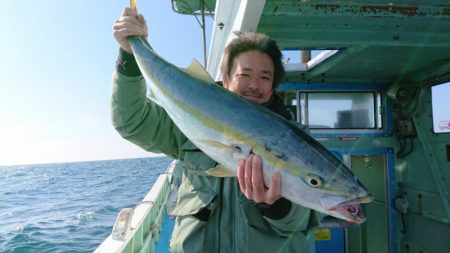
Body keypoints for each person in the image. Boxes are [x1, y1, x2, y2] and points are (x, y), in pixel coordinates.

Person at [112, 7, 318, 253]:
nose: (254, 84)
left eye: (265, 77)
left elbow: (304, 222)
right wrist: (129, 57)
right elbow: (131, 121)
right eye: (245, 74)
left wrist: (276, 206)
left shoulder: (298, 141)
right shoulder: (190, 118)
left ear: (272, 87)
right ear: (226, 79)